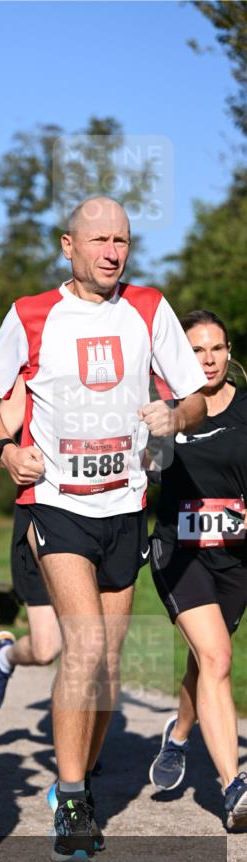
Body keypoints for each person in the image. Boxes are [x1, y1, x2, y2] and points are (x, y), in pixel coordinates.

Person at [0, 197, 208, 862]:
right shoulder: (29, 314)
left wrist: (174, 416)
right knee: (80, 649)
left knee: (104, 664)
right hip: (56, 504)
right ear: (66, 246)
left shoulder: (149, 307)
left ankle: (68, 786)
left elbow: (191, 395)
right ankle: (73, 796)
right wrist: (2, 451)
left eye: (122, 241)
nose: (112, 252)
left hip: (124, 506)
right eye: (99, 240)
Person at [148, 310, 247, 830]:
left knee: (210, 663)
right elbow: (141, 471)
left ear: (229, 353)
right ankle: (234, 787)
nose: (207, 359)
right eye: (196, 351)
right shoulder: (168, 412)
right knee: (216, 654)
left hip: (234, 557)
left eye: (216, 348)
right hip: (177, 551)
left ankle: (180, 735)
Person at [0, 372, 62, 712]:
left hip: (100, 518)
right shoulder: (33, 377)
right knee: (45, 649)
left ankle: (83, 751)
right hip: (40, 517)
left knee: (90, 645)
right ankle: (6, 656)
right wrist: (19, 458)